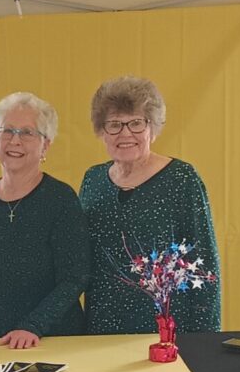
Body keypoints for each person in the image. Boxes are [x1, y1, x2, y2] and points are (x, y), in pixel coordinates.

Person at [78, 75, 221, 335]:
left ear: (152, 128)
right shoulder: (93, 180)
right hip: (100, 324)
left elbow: (204, 264)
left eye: (136, 123)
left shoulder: (181, 179)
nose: (125, 134)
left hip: (165, 328)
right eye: (114, 125)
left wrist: (205, 339)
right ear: (101, 131)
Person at [0, 92, 89, 349]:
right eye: (7, 130)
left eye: (28, 132)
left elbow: (75, 277)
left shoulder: (61, 199)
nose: (15, 140)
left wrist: (33, 326)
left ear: (46, 145)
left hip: (51, 339)